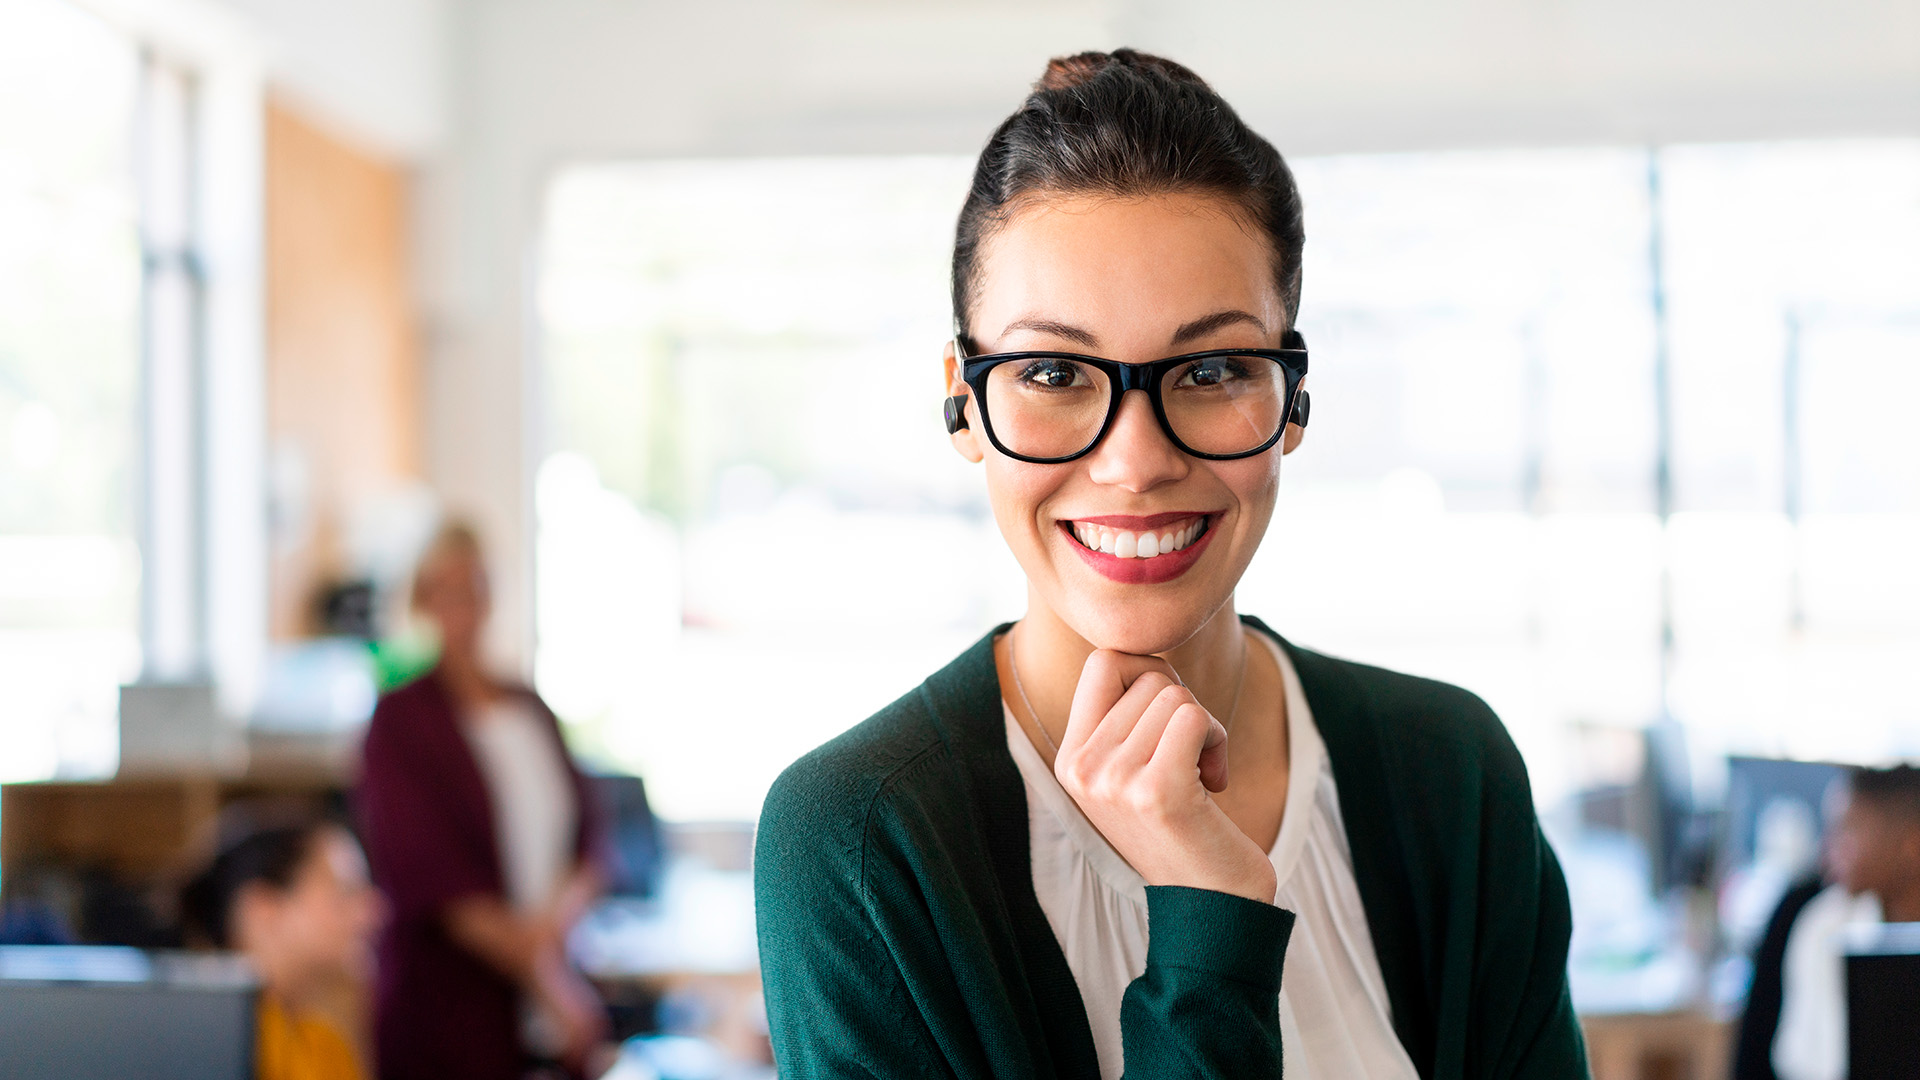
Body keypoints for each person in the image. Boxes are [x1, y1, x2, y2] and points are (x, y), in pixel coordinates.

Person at [754, 49, 1586, 1080]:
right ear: (965, 401)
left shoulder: (1450, 773)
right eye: (1053, 371)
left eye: (1211, 369)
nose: (1136, 461)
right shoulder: (862, 842)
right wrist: (1210, 927)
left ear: (1292, 400)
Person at [357, 522, 610, 1080]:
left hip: (550, 1006)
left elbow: (588, 839)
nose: (463, 604)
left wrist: (552, 937)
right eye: (445, 589)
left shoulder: (529, 706)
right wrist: (545, 978)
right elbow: (433, 878)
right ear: (422, 601)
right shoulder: (400, 722)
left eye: (474, 586)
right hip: (450, 1016)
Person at [1736, 764, 1920, 1080]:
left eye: (1847, 831)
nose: (1829, 849)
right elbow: (1806, 1063)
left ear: (1911, 843)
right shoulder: (1824, 925)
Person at [181, 820, 380, 1080]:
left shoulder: (324, 1044)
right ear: (263, 910)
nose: (373, 912)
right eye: (345, 892)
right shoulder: (203, 1045)